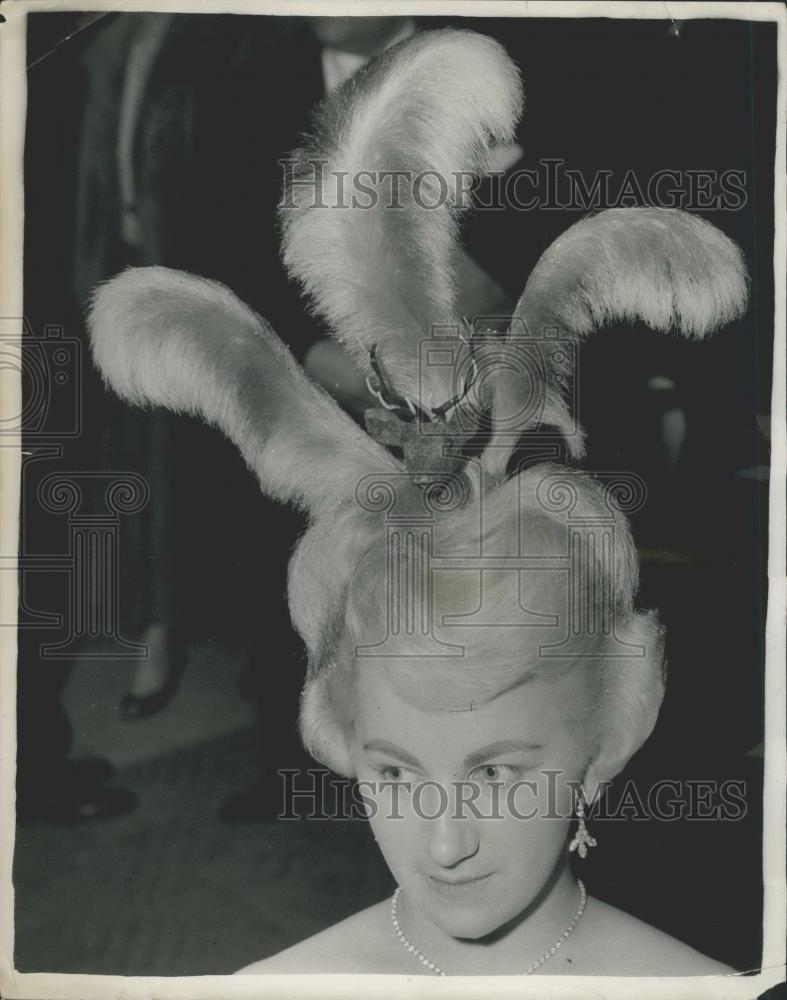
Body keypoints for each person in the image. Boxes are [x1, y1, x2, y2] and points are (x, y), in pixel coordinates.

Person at [86, 29, 747, 974]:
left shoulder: (581, 53)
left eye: (496, 775)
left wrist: (504, 352)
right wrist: (343, 380)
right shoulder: (237, 79)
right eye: (393, 774)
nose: (443, 847)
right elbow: (215, 237)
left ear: (611, 741)